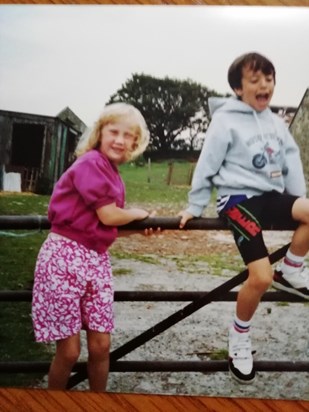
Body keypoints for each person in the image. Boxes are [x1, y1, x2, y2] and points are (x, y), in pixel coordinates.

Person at [178, 52, 309, 384]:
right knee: (261, 277)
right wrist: (194, 207)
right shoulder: (225, 120)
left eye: (269, 79)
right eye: (255, 80)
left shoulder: (276, 122)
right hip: (237, 200)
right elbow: (207, 164)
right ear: (238, 88)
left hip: (270, 196)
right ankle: (239, 340)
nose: (264, 85)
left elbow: (291, 161)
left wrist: (298, 201)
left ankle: (293, 267)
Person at [32, 102, 153, 391]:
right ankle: (54, 403)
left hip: (95, 261)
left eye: (128, 136)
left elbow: (103, 227)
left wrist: (138, 229)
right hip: (64, 259)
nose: (120, 140)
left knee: (101, 346)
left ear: (135, 144)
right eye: (114, 131)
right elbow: (109, 215)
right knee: (70, 351)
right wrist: (137, 213)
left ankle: (98, 402)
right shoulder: (90, 163)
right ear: (100, 133)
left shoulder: (111, 172)